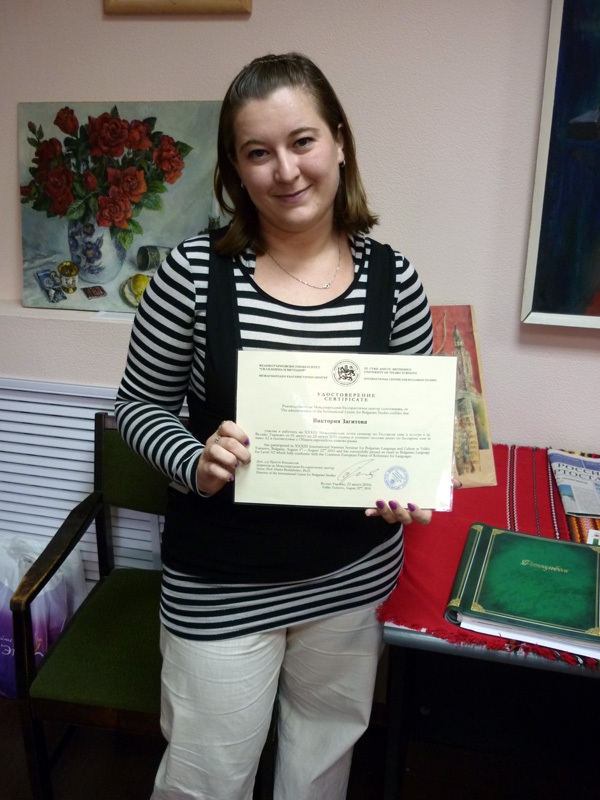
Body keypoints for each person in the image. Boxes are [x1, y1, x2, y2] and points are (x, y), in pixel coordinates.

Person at [115, 52, 434, 800]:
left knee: (319, 769)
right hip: (221, 582)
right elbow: (136, 407)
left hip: (351, 576)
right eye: (258, 152)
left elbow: (411, 430)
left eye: (302, 141)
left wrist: (408, 481)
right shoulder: (192, 274)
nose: (285, 170)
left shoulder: (395, 281)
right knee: (206, 779)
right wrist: (194, 459)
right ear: (235, 168)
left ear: (339, 142)